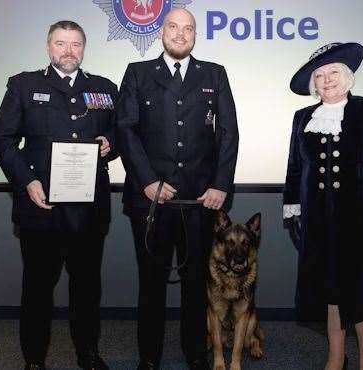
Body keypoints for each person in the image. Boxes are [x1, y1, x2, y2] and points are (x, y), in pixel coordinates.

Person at [0, 20, 118, 370]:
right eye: (60, 44)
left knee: (87, 289)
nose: (68, 50)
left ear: (83, 48)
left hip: (89, 209)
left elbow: (121, 133)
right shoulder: (24, 85)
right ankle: (34, 359)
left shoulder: (105, 88)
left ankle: (88, 354)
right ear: (49, 48)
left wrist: (112, 144)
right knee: (37, 290)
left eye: (75, 44)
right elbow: (2, 139)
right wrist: (26, 182)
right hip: (40, 206)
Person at [117, 8, 239, 370]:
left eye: (188, 29)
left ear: (195, 35)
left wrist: (220, 185)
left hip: (200, 201)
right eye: (173, 27)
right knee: (151, 284)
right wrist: (148, 181)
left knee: (195, 284)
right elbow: (125, 129)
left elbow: (228, 133)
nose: (180, 34)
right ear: (161, 32)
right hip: (149, 201)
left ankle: (196, 356)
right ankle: (149, 359)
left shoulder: (214, 74)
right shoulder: (138, 74)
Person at [283, 42, 363, 370]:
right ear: (313, 84)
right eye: (320, 75)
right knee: (329, 291)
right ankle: (334, 356)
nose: (327, 80)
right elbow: (295, 168)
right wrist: (293, 208)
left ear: (348, 77)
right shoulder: (303, 118)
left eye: (333, 73)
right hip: (319, 222)